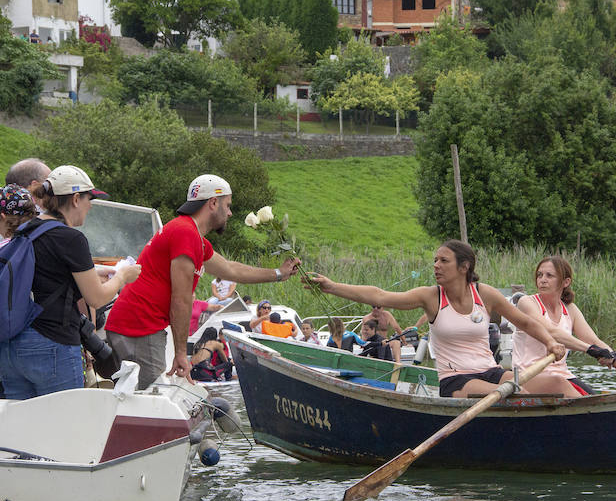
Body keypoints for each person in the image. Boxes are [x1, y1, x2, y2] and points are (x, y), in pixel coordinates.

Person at [104, 174, 301, 389]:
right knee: (149, 403)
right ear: (213, 202)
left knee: (146, 400)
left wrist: (279, 273)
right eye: (227, 205)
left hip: (137, 325)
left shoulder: (193, 236)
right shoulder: (185, 233)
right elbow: (181, 298)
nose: (230, 212)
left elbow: (230, 269)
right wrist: (181, 353)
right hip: (139, 327)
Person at [311, 240, 567, 398]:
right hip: (456, 380)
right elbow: (380, 295)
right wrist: (332, 286)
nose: (436, 265)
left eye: (443, 261)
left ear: (464, 266)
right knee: (515, 393)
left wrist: (550, 343)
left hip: (492, 372)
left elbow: (526, 323)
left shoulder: (484, 294)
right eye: (435, 260)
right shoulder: (431, 297)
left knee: (553, 383)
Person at [0, 166, 141, 398]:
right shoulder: (71, 238)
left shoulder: (24, 230)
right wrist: (122, 276)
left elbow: (45, 275)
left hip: (11, 347)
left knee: (22, 429)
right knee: (65, 426)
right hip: (51, 345)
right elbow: (96, 297)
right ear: (76, 199)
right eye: (89, 198)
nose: (91, 205)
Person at [512, 256, 616, 397]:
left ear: (566, 282)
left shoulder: (570, 309)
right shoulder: (526, 302)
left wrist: (611, 354)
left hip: (563, 375)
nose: (542, 279)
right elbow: (552, 332)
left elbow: (592, 339)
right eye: (539, 275)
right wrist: (590, 350)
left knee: (593, 398)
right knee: (560, 383)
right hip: (528, 376)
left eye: (549, 275)